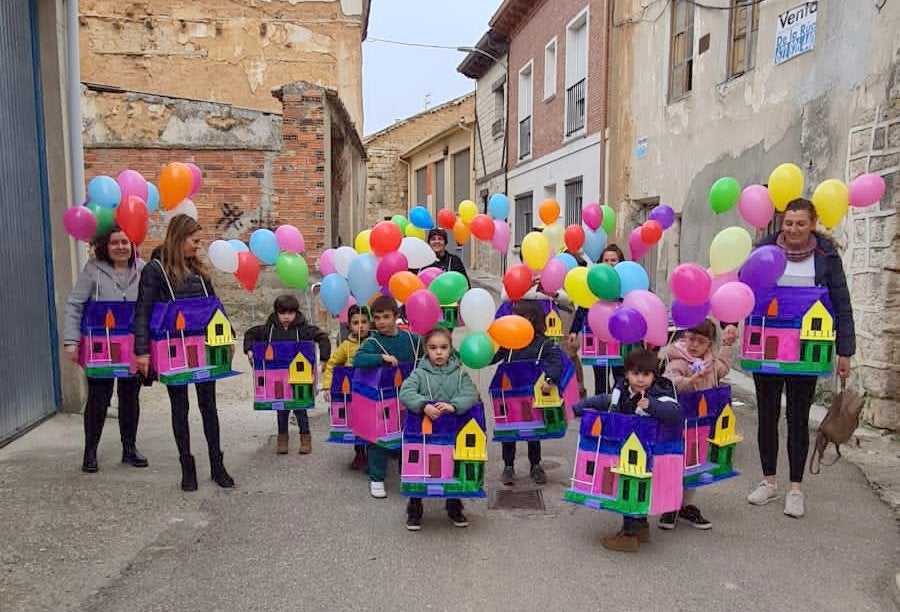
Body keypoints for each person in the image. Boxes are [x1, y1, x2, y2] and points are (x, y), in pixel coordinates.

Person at [746, 198, 854, 518]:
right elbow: (745, 292)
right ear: (782, 222)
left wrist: (845, 349)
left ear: (813, 224)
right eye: (788, 223)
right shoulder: (763, 250)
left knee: (797, 417)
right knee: (767, 415)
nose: (793, 229)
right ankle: (768, 482)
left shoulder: (827, 256)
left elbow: (841, 303)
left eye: (800, 223)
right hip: (768, 349)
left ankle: (795, 488)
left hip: (806, 352)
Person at [134, 215, 235, 492]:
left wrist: (227, 336)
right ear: (179, 239)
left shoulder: (200, 271)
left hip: (204, 348)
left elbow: (214, 306)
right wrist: (141, 351)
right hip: (174, 351)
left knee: (209, 408)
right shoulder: (155, 270)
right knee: (180, 408)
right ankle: (187, 467)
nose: (198, 247)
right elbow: (142, 310)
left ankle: (217, 465)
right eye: (195, 241)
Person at [572, 348, 681, 552]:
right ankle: (640, 527)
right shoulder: (622, 388)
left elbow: (675, 413)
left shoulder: (661, 391)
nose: (640, 379)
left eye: (646, 375)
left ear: (654, 375)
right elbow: (605, 400)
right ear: (627, 373)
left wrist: (652, 405)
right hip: (626, 448)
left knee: (631, 490)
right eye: (635, 374)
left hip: (649, 452)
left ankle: (628, 535)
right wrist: (578, 408)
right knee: (632, 489)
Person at [63, 226, 148, 473]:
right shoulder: (92, 270)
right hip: (101, 346)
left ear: (132, 246)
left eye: (125, 242)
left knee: (130, 398)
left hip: (132, 347)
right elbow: (75, 305)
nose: (121, 247)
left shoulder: (143, 270)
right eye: (115, 243)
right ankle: (90, 451)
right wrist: (71, 341)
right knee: (98, 399)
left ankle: (129, 449)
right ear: (105, 246)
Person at [398, 327, 479, 530]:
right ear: (426, 349)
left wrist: (454, 405)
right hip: (424, 432)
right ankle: (414, 508)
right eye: (433, 348)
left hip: (452, 430)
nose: (439, 352)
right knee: (419, 469)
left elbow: (471, 393)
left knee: (451, 468)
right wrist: (423, 404)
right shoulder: (419, 373)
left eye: (444, 347)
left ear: (451, 348)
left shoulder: (460, 374)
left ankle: (454, 506)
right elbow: (405, 392)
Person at [659, 319, 735, 530]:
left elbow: (723, 368)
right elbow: (670, 381)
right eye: (690, 338)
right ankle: (670, 506)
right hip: (680, 423)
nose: (693, 345)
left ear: (709, 344)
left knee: (695, 463)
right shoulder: (678, 359)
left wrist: (727, 346)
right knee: (676, 462)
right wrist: (689, 381)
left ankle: (686, 505)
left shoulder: (710, 362)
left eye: (700, 341)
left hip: (701, 424)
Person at [352, 296, 423, 499]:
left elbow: (434, 348)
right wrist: (380, 358)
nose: (382, 322)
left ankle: (407, 474)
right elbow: (358, 359)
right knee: (380, 440)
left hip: (410, 397)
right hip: (383, 400)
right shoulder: (374, 342)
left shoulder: (411, 339)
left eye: (386, 317)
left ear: (396, 316)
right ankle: (377, 478)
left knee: (408, 435)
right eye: (377, 318)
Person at [244, 294, 330, 455]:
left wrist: (324, 359)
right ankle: (282, 439)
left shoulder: (303, 329)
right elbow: (250, 334)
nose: (286, 317)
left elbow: (322, 337)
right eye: (283, 313)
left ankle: (305, 438)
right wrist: (249, 350)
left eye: (290, 313)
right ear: (277, 313)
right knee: (281, 410)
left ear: (296, 313)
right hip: (277, 379)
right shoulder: (268, 329)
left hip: (299, 378)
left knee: (300, 410)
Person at [492, 300, 562, 486]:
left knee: (533, 433)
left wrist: (550, 379)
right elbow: (493, 356)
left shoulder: (544, 343)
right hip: (508, 394)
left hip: (532, 395)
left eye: (516, 316)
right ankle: (508, 466)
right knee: (508, 432)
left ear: (529, 319)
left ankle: (535, 465)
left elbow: (556, 361)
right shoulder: (509, 342)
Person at [568, 244, 628, 396]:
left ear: (620, 261)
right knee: (600, 375)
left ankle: (618, 405)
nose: (609, 263)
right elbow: (583, 306)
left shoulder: (627, 281)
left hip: (620, 336)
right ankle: (601, 406)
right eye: (606, 260)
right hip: (597, 335)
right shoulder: (595, 281)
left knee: (620, 375)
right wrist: (574, 330)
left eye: (613, 260)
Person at [323, 304, 371, 470]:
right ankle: (359, 453)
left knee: (371, 423)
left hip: (371, 391)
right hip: (352, 392)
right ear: (349, 325)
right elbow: (332, 364)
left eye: (364, 322)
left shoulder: (375, 342)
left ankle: (373, 456)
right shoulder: (346, 345)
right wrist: (327, 386)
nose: (361, 326)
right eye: (356, 323)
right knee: (355, 423)